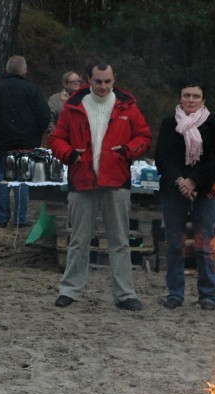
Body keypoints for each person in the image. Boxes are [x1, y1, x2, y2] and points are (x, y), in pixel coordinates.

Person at [50, 57, 152, 311]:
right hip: (82, 180)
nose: (104, 86)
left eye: (108, 81)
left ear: (114, 80)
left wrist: (128, 150)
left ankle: (125, 293)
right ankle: (70, 290)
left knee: (119, 240)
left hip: (116, 181)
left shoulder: (127, 105)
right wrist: (69, 154)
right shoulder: (73, 106)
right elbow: (56, 139)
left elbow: (144, 136)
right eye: (98, 81)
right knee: (78, 239)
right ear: (88, 80)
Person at [154, 81, 215, 311]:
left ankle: (207, 295)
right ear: (180, 98)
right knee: (174, 242)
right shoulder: (168, 123)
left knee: (204, 243)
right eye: (187, 95)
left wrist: (194, 181)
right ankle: (175, 293)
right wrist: (181, 182)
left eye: (196, 96)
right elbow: (162, 158)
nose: (191, 100)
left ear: (203, 100)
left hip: (204, 189)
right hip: (173, 189)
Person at [0, 55, 50, 228]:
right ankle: (20, 218)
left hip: (1, 142)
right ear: (25, 71)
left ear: (5, 69)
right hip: (25, 142)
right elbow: (44, 115)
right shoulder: (32, 90)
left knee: (2, 180)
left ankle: (2, 218)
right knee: (22, 180)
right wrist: (36, 135)